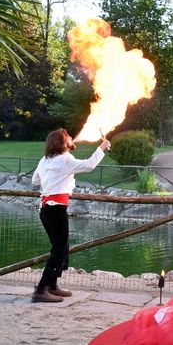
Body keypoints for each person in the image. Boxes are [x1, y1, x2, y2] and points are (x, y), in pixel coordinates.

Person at [31, 129, 110, 303]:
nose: (72, 138)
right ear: (62, 143)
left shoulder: (45, 160)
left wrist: (54, 177)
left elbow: (35, 181)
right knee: (59, 249)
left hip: (45, 209)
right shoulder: (66, 159)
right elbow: (89, 165)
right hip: (56, 209)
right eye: (68, 137)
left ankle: (52, 285)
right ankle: (42, 289)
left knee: (61, 247)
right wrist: (102, 147)